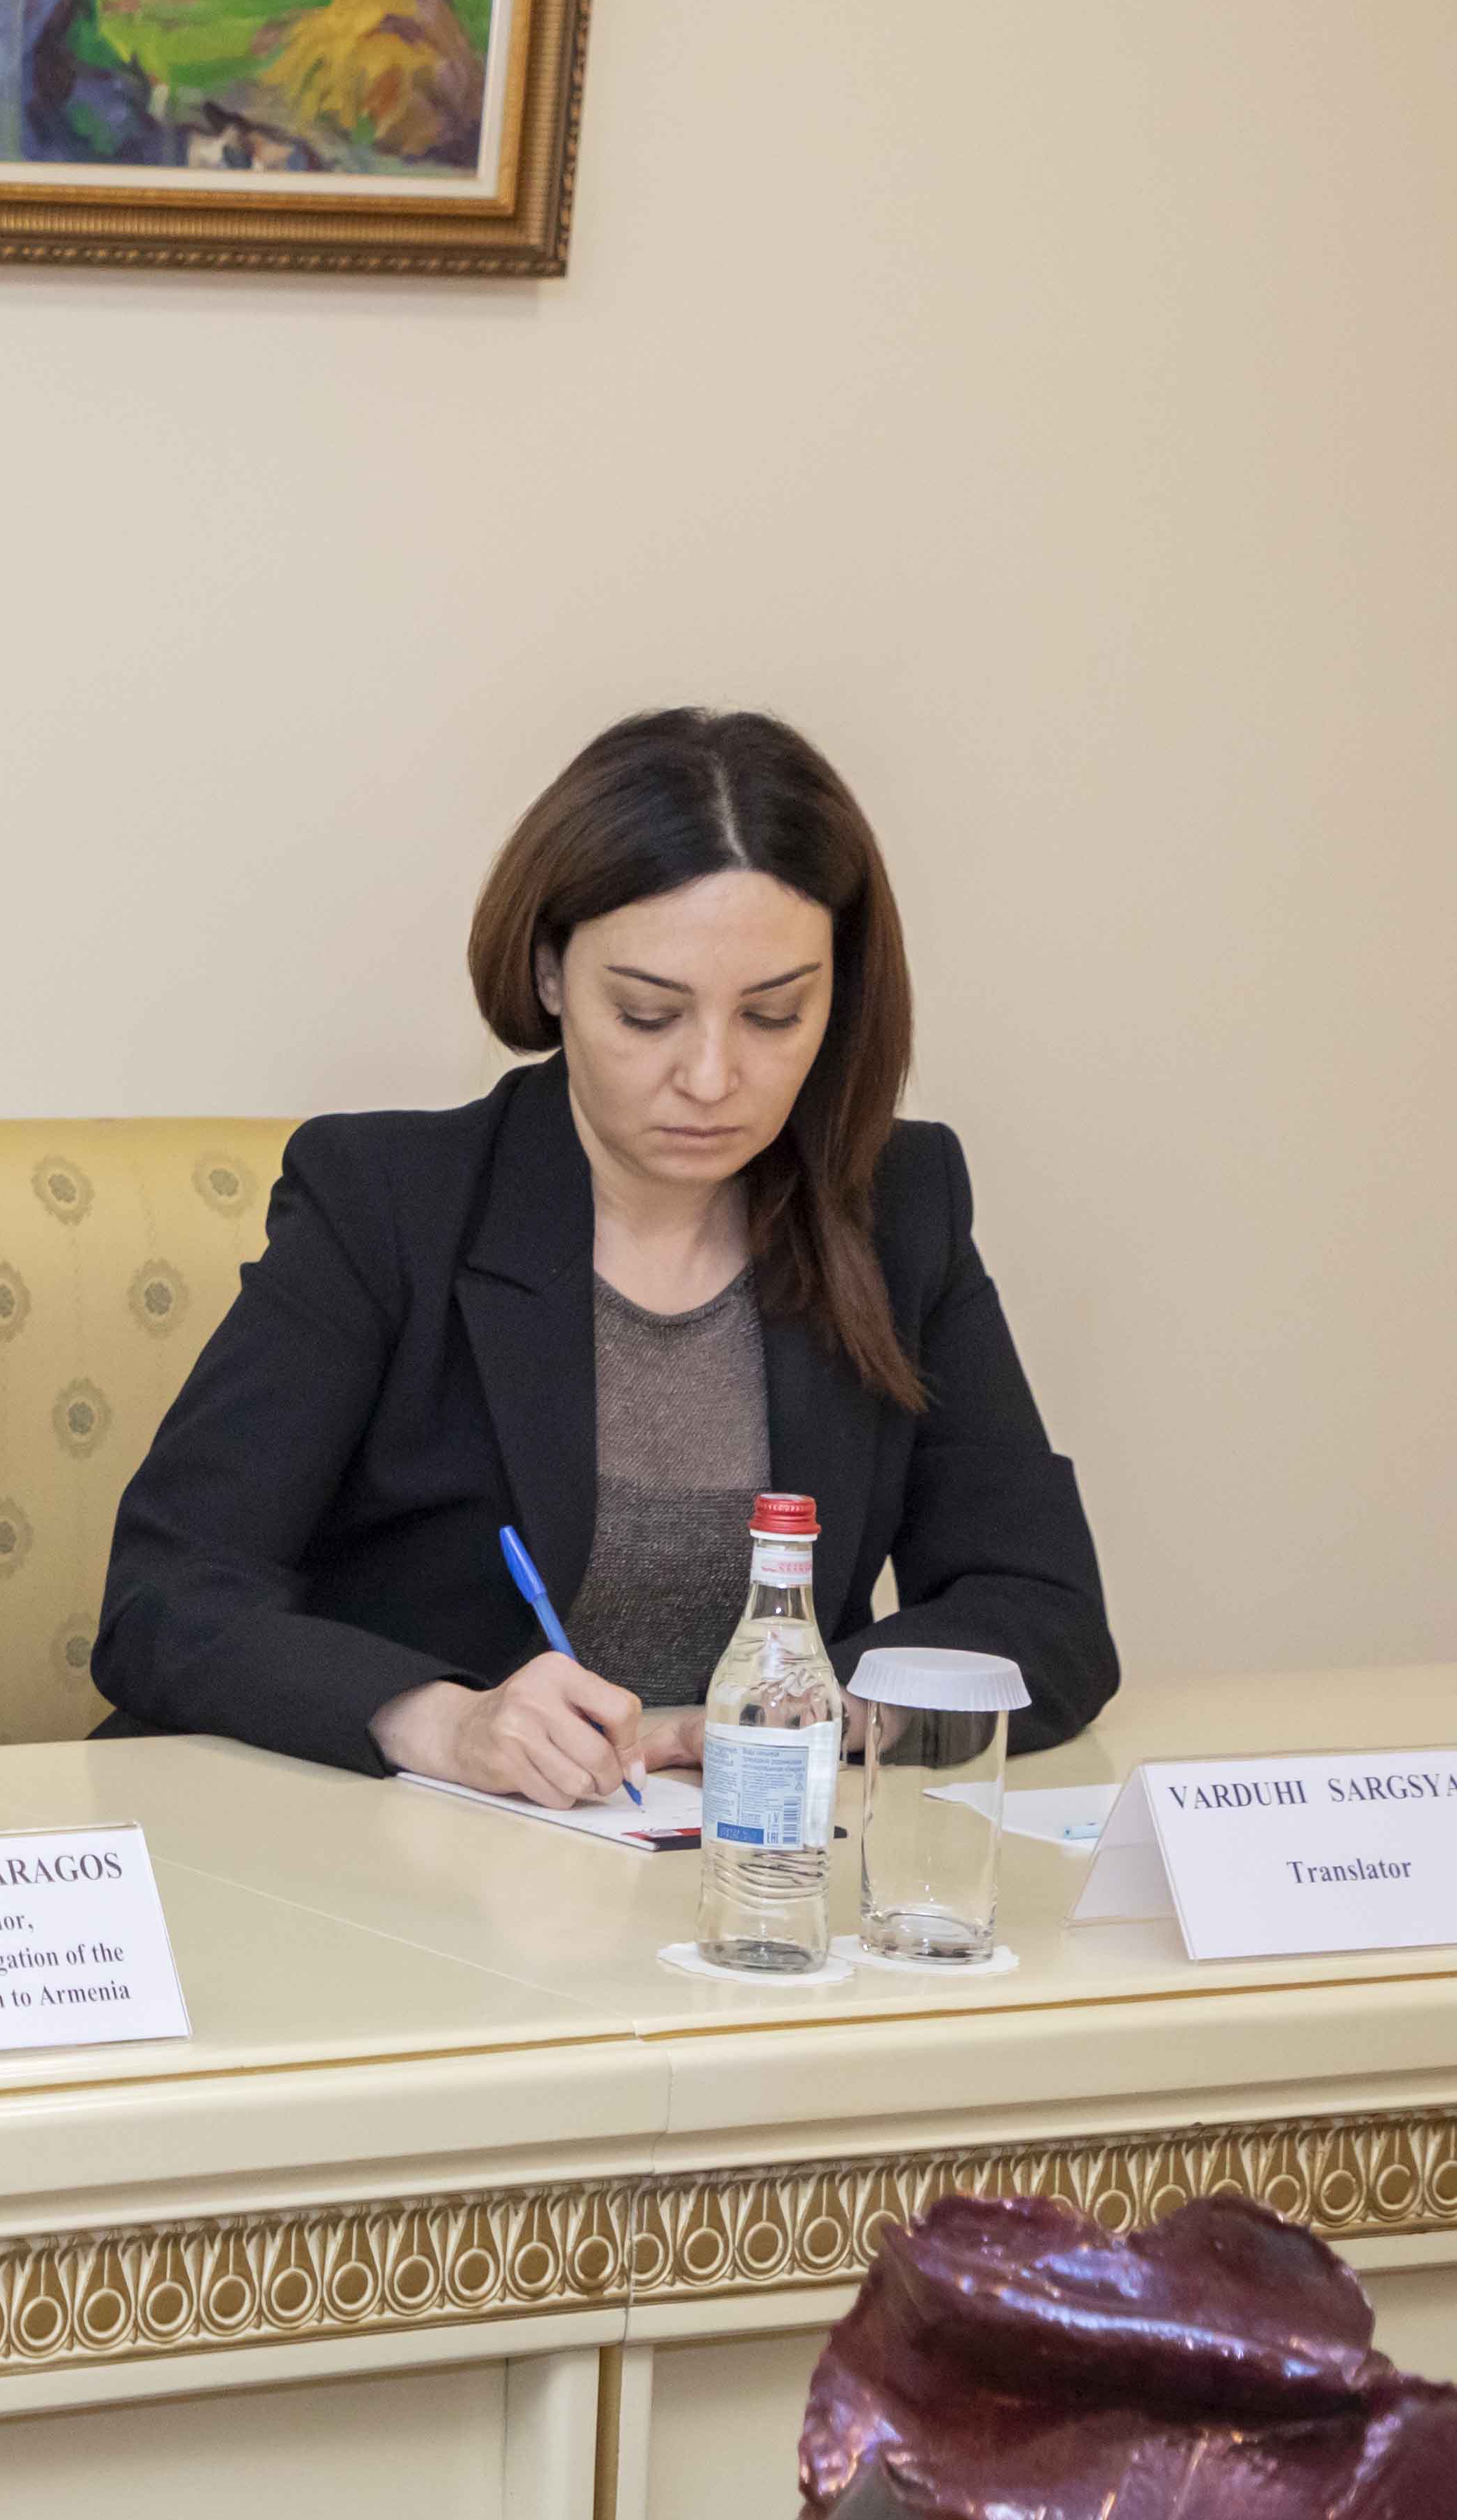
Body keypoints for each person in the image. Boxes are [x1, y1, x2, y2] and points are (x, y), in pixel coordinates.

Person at [93, 707, 1117, 1801]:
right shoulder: (387, 1201)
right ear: (551, 975)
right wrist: (444, 1721)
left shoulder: (898, 1206)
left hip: (727, 1860)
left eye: (774, 1016)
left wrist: (829, 1709)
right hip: (399, 1849)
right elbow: (167, 1599)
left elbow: (1043, 1611)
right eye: (646, 1014)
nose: (711, 1078)